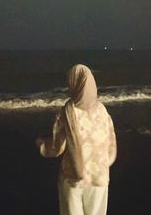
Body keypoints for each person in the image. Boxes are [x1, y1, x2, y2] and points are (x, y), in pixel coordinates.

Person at [36, 64, 117, 215]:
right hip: (99, 175)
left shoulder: (67, 111)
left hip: (73, 176)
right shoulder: (102, 110)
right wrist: (103, 162)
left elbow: (56, 148)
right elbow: (111, 142)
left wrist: (41, 145)